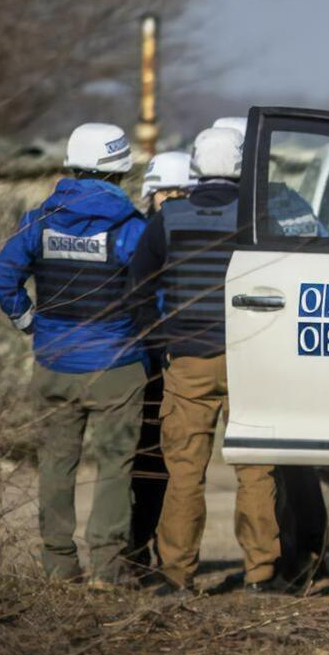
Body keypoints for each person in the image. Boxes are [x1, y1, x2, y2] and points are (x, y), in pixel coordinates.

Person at [128, 126, 286, 597]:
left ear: (195, 165)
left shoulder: (169, 218)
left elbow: (137, 288)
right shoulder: (257, 215)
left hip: (187, 362)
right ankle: (262, 573)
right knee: (256, 470)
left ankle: (177, 575)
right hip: (249, 360)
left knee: (183, 472)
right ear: (242, 165)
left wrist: (160, 343)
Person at [0, 122, 148, 585]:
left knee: (57, 465)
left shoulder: (39, 220)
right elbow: (152, 296)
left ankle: (59, 566)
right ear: (120, 171)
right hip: (117, 365)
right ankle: (108, 568)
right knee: (115, 466)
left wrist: (30, 323)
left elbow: (3, 280)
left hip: (54, 362)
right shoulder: (131, 228)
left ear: (71, 167)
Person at [127, 151, 194, 573]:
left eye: (180, 192)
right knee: (147, 462)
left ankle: (152, 549)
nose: (170, 199)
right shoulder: (141, 234)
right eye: (163, 192)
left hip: (176, 357)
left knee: (170, 463)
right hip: (149, 360)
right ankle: (138, 548)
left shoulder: (186, 233)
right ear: (150, 195)